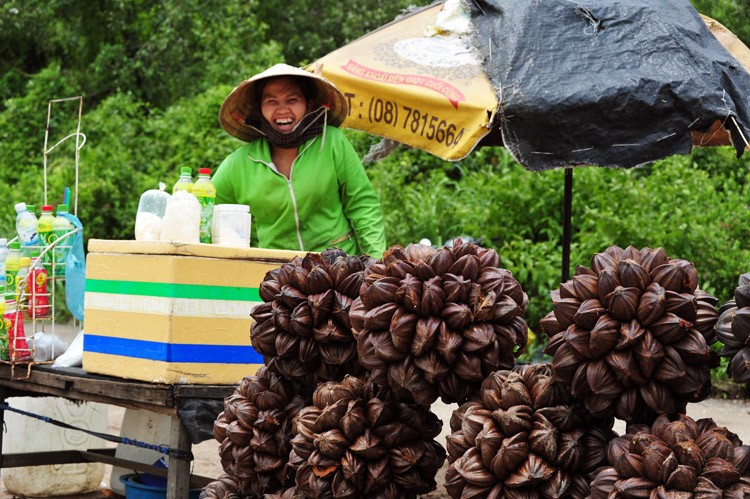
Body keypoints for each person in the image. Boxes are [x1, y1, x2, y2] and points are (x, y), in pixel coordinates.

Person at [214, 63, 386, 259]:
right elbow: (205, 209)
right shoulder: (240, 164)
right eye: (271, 102)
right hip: (278, 273)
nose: (282, 110)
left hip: (340, 267)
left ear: (309, 104)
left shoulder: (331, 142)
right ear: (259, 109)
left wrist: (375, 261)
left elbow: (362, 203)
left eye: (292, 100)